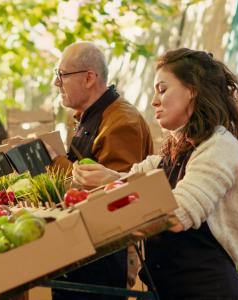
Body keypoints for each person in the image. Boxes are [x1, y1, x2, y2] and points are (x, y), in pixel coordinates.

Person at [73, 48, 238, 299]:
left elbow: (178, 213)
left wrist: (117, 188)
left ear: (192, 90)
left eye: (163, 89)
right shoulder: (175, 152)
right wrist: (109, 179)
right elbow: (140, 178)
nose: (154, 101)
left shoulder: (218, 147)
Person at [51, 41, 154, 300]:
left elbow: (114, 205)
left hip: (100, 263)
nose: (56, 83)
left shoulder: (122, 122)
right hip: (81, 253)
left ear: (89, 78)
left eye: (61, 75)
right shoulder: (94, 115)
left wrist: (52, 159)